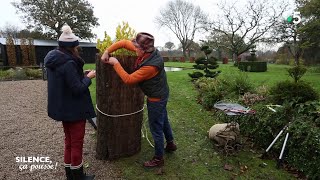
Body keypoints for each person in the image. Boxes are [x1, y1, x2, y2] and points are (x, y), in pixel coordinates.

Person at [100, 32, 177, 167]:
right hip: (162, 93)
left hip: (156, 99)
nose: (134, 49)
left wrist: (115, 63)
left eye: (136, 48)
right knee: (163, 119)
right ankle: (170, 144)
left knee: (155, 128)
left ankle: (159, 159)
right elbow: (123, 43)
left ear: (143, 49)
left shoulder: (151, 66)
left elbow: (128, 80)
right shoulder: (146, 50)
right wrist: (107, 51)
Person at [44, 25, 96, 180]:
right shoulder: (68, 63)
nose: (78, 49)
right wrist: (88, 78)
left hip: (63, 109)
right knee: (77, 143)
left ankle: (70, 175)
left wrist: (81, 75)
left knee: (69, 141)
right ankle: (78, 177)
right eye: (76, 47)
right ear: (72, 47)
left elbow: (66, 82)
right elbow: (77, 88)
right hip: (74, 110)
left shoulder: (55, 59)